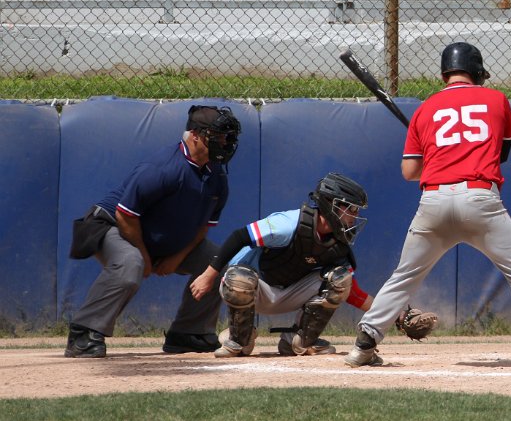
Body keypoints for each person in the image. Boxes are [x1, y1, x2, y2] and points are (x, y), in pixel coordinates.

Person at [345, 42, 511, 368]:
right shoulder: (496, 99)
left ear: (445, 73)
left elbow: (409, 172)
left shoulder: (425, 110)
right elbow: (499, 155)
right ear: (476, 72)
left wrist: (436, 156)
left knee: (404, 277)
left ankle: (363, 346)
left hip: (433, 201)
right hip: (480, 199)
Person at [190, 172, 438, 357]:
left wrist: (396, 315)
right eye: (351, 210)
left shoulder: (337, 245)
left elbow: (352, 293)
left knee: (340, 279)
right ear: (333, 205)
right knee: (239, 278)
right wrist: (209, 275)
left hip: (288, 292)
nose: (354, 217)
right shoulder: (289, 224)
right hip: (255, 288)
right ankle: (239, 338)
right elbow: (239, 237)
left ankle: (298, 341)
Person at [64, 105, 242, 358]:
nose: (224, 143)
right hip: (112, 225)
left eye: (226, 137)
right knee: (130, 264)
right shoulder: (164, 167)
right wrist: (145, 257)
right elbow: (126, 215)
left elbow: (203, 227)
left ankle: (189, 333)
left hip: (159, 238)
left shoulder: (217, 176)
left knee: (219, 264)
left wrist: (176, 258)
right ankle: (84, 333)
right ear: (194, 135)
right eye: (217, 136)